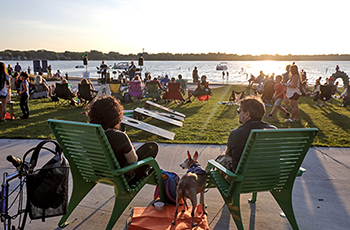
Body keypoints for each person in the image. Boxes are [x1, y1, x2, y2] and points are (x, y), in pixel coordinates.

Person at [87, 96, 159, 184]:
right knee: (151, 147)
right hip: (120, 174)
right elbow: (133, 161)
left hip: (100, 174)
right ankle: (134, 180)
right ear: (116, 115)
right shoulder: (119, 137)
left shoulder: (89, 135)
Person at [225, 95, 276, 171]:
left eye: (239, 111)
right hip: (269, 177)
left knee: (221, 160)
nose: (238, 114)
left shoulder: (237, 133)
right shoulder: (273, 131)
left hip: (243, 178)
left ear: (247, 114)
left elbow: (228, 155)